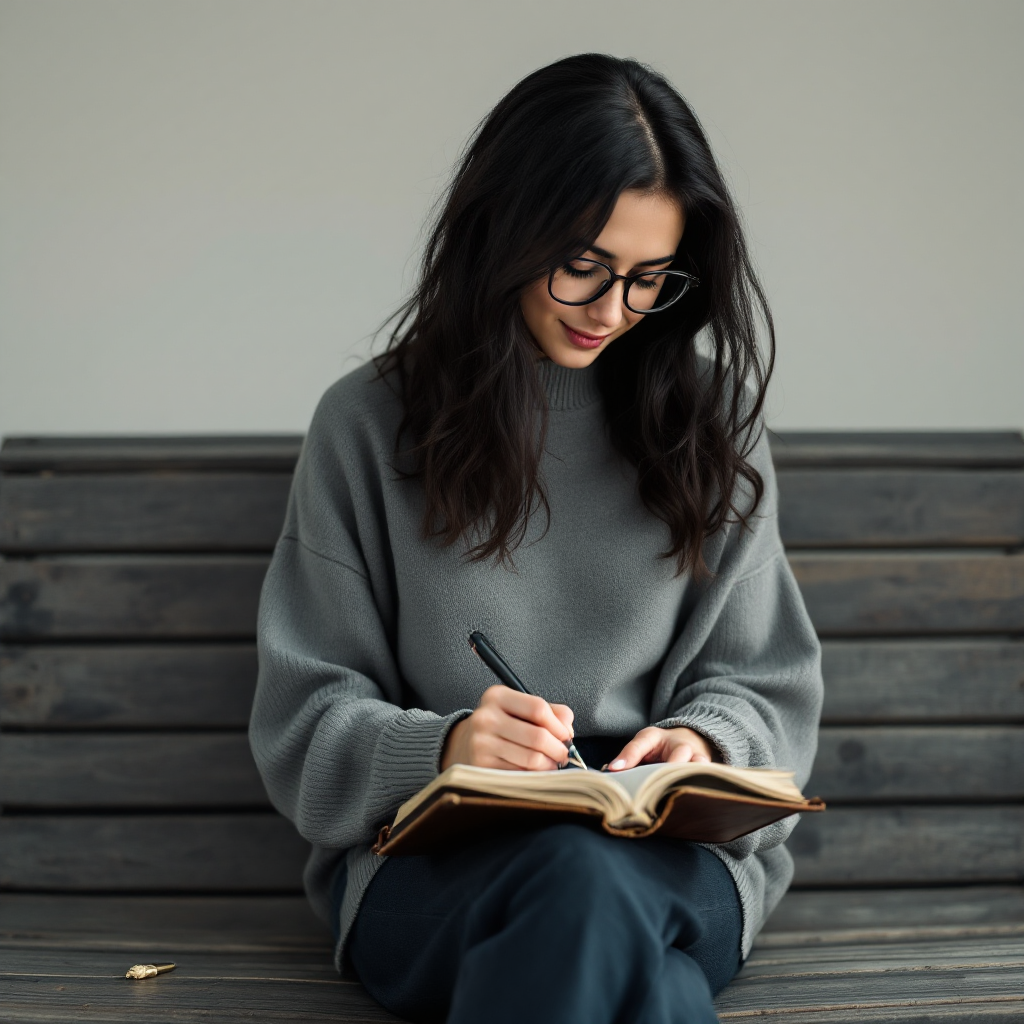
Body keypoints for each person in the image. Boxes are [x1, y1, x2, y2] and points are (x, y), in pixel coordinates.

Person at [249, 52, 823, 1024]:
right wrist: (446, 748)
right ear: (503, 232)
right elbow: (304, 719)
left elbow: (761, 682)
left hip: (671, 862)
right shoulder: (366, 425)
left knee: (589, 888)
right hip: (430, 862)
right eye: (582, 267)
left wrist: (700, 739)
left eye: (649, 279)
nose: (612, 311)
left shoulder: (711, 422)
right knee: (637, 963)